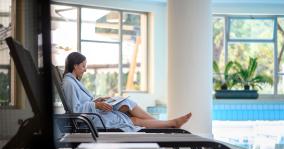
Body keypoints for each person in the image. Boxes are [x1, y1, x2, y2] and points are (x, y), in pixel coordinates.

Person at [62, 52, 192, 132]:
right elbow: (75, 109)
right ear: (75, 65)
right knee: (131, 115)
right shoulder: (69, 83)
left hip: (94, 116)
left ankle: (167, 125)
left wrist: (98, 100)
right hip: (92, 120)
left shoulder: (73, 82)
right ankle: (169, 125)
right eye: (83, 66)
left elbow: (83, 103)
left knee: (128, 109)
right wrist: (95, 105)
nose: (85, 70)